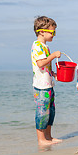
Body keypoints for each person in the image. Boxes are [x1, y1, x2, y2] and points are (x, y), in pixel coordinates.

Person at [31, 16, 62, 145]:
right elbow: (40, 63)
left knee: (50, 112)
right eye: (52, 32)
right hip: (41, 86)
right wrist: (53, 56)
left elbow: (45, 66)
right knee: (42, 112)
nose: (54, 35)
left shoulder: (45, 46)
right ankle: (41, 139)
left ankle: (48, 137)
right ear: (41, 31)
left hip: (48, 84)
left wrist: (52, 73)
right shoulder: (37, 45)